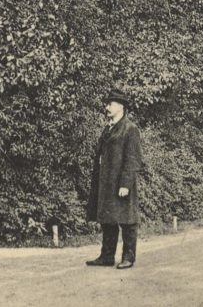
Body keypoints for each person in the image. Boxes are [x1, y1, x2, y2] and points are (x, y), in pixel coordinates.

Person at [86, 89, 143, 269]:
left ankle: (128, 257)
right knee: (108, 219)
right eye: (107, 104)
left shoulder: (130, 129)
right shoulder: (108, 128)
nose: (107, 107)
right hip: (106, 182)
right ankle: (107, 256)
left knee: (127, 220)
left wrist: (125, 184)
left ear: (121, 106)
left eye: (110, 104)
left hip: (121, 182)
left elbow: (133, 159)